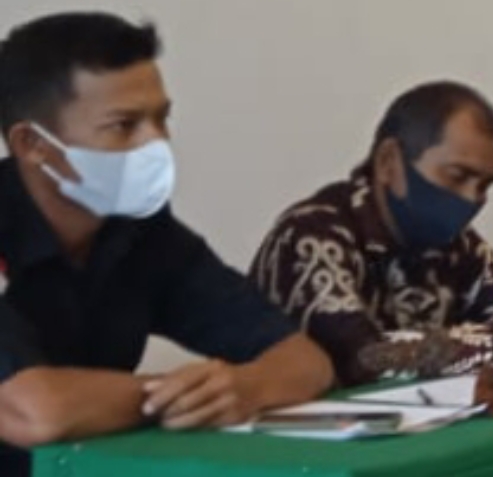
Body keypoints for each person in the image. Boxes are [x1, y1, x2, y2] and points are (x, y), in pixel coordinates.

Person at [0, 12, 333, 477]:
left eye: (161, 118)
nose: (156, 142)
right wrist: (186, 395)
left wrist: (246, 388)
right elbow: (33, 412)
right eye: (125, 125)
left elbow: (305, 361)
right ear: (32, 144)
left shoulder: (141, 232)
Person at [250, 80, 493, 386]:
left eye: (484, 186)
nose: (471, 199)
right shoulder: (312, 236)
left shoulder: (457, 245)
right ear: (388, 162)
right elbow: (368, 359)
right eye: (457, 176)